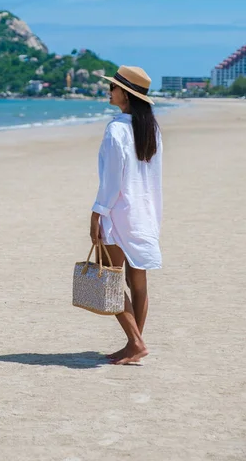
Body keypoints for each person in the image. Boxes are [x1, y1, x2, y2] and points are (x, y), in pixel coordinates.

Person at [90, 66, 163, 365]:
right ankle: (135, 345)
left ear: (126, 95)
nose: (110, 90)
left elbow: (112, 181)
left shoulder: (116, 129)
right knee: (138, 282)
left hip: (119, 212)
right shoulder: (151, 129)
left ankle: (135, 343)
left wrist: (97, 213)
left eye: (114, 87)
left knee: (108, 278)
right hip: (145, 213)